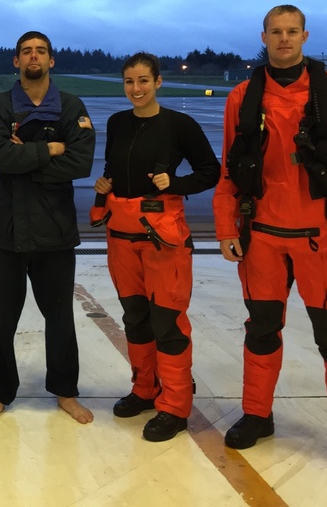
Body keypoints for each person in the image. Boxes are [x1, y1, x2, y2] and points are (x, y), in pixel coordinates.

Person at [214, 5, 327, 477]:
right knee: (261, 330)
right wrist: (227, 227)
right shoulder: (242, 97)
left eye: (292, 32)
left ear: (305, 36)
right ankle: (257, 414)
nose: (284, 39)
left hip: (321, 238)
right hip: (262, 237)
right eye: (276, 32)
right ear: (263, 36)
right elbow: (231, 171)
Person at [91, 52, 220, 442]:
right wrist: (105, 184)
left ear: (158, 82)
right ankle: (145, 389)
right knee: (135, 317)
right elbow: (115, 168)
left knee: (167, 322)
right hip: (122, 237)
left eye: (144, 80)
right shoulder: (116, 123)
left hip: (162, 237)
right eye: (129, 81)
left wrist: (175, 183)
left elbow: (211, 170)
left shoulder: (179, 124)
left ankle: (176, 406)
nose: (136, 89)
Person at [0, 31, 96, 426]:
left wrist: (23, 157)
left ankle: (65, 391)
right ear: (16, 61)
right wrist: (48, 148)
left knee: (60, 317)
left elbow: (80, 163)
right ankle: (0, 392)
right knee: (1, 319)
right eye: (26, 51)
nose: (33, 56)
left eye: (40, 51)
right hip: (7, 230)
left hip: (55, 230)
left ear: (51, 60)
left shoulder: (71, 106)